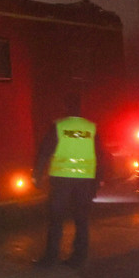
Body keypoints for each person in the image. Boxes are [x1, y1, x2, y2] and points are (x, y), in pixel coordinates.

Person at [32, 93, 108, 268]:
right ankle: (79, 257)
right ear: (82, 109)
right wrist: (100, 178)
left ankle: (51, 258)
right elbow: (100, 155)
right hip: (85, 180)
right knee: (81, 219)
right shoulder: (91, 128)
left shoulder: (59, 126)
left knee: (56, 218)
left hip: (62, 180)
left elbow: (45, 151)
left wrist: (37, 174)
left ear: (66, 108)